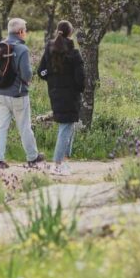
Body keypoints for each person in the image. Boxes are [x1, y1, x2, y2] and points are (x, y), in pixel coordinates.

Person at [0, 18, 43, 169]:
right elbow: (26, 74)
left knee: (0, 127)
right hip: (18, 95)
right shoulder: (22, 49)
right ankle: (32, 157)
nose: (25, 33)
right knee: (24, 127)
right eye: (25, 30)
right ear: (20, 32)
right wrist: (27, 81)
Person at [36, 20, 84, 176]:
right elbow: (80, 78)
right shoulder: (74, 53)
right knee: (65, 128)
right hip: (71, 95)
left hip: (55, 93)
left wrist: (52, 80)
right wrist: (79, 89)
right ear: (71, 33)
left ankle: (64, 161)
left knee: (69, 127)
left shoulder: (49, 51)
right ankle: (57, 165)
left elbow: (41, 71)